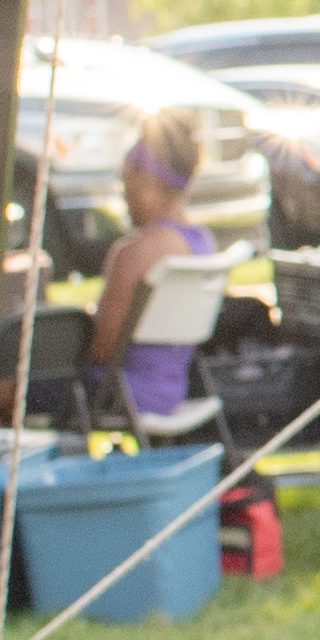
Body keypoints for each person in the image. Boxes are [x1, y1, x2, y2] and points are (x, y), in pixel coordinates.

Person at [63, 119, 223, 424]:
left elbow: (102, 350)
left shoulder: (137, 253)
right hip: (173, 391)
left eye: (125, 182)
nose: (122, 196)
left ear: (146, 182)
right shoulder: (203, 243)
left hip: (118, 393)